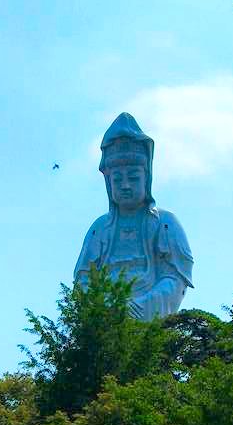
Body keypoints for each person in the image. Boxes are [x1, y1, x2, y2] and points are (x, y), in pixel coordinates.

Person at [74, 111, 194, 321]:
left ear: (146, 178)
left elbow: (176, 278)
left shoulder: (164, 223)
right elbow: (83, 280)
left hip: (149, 309)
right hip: (106, 315)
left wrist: (141, 305)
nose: (125, 186)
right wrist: (103, 307)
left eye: (133, 178)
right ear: (108, 183)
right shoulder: (100, 228)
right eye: (117, 180)